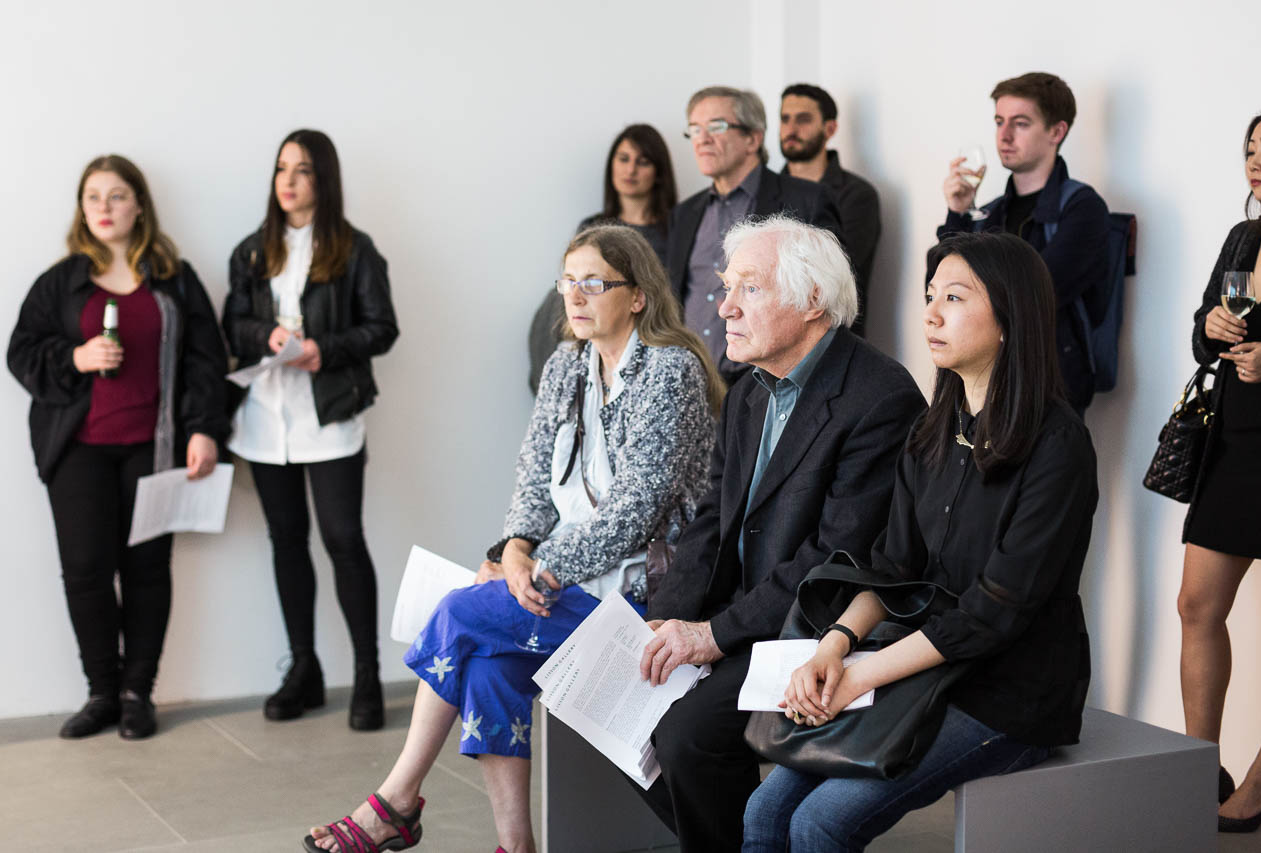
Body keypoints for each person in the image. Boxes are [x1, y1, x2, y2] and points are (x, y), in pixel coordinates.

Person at [303, 225, 720, 853]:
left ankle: (393, 803)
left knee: (458, 615)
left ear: (637, 296)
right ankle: (516, 847)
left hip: (642, 600)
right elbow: (532, 477)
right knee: (491, 670)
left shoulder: (670, 371)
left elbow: (634, 512)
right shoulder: (564, 365)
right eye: (567, 283)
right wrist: (516, 550)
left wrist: (539, 570)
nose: (575, 298)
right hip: (569, 582)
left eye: (594, 284)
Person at [742, 230, 1098, 852]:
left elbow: (994, 613)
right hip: (918, 668)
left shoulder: (1057, 445)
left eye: (955, 298)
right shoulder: (933, 432)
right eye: (931, 295)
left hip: (1009, 692)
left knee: (820, 823)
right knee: (765, 812)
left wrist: (862, 675)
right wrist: (835, 645)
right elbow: (893, 566)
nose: (930, 313)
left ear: (1011, 318)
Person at [635, 216, 924, 852]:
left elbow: (834, 560)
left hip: (816, 632)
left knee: (686, 736)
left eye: (750, 289)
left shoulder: (879, 397)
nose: (725, 307)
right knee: (625, 716)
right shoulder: (746, 393)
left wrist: (711, 636)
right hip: (740, 616)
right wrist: (668, 623)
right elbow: (710, 519)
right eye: (726, 287)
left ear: (812, 300)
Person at [7, 154, 228, 740]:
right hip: (77, 449)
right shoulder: (62, 281)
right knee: (84, 572)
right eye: (93, 197)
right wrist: (75, 358)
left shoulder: (174, 277)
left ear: (139, 205)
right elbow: (21, 352)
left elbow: (208, 358)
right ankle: (101, 692)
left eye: (117, 195)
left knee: (148, 571)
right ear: (82, 209)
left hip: (154, 449)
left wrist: (204, 428)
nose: (104, 208)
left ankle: (137, 695)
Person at [223, 129, 398, 731]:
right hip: (266, 420)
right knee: (286, 541)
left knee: (344, 541)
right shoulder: (253, 250)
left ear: (323, 179)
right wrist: (263, 337)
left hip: (331, 418)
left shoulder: (354, 250)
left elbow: (382, 327)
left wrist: (328, 349)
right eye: (281, 169)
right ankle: (304, 669)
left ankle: (368, 674)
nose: (289, 181)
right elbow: (233, 323)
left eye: (302, 170)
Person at [1178, 100, 1261, 834]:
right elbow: (1200, 335)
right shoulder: (1245, 235)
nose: (1254, 159)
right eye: (1250, 147)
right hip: (1236, 444)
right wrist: (1211, 329)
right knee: (1196, 606)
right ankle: (1193, 765)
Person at [938, 71, 1110, 414]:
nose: (1004, 135)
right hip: (984, 376)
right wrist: (958, 213)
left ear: (1056, 131)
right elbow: (941, 288)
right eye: (999, 121)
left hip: (1051, 381)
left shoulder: (1082, 207)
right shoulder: (989, 212)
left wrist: (974, 290)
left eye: (1020, 123)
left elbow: (1036, 290)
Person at [668, 86, 845, 385]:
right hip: (691, 383)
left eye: (716, 127)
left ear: (753, 138)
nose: (702, 140)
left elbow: (829, 302)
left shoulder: (806, 201)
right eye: (695, 130)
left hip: (768, 382)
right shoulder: (684, 213)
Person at [528, 124, 678, 393]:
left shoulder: (677, 229)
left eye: (642, 162)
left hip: (649, 347)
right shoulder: (591, 228)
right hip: (596, 353)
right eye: (623, 159)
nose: (630, 170)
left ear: (658, 173)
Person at [779, 83, 881, 337]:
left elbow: (835, 276)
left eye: (803, 119)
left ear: (830, 128)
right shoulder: (765, 190)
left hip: (832, 342)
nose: (791, 129)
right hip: (766, 339)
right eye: (785, 119)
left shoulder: (857, 195)